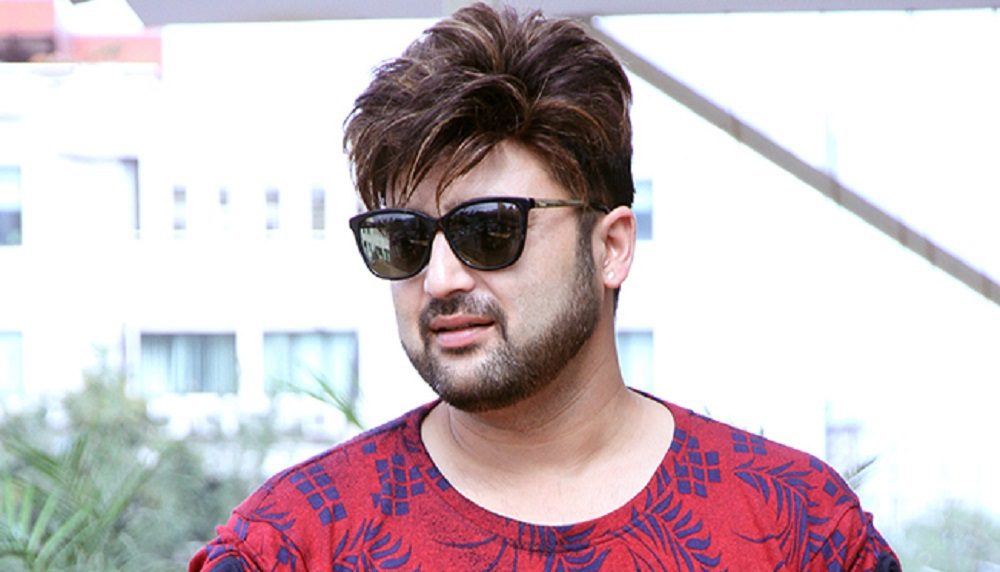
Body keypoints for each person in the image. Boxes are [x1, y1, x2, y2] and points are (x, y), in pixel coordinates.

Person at [190, 3, 900, 570]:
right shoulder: (295, 545)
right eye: (404, 239)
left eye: (489, 229)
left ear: (611, 247)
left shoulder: (797, 531)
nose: (440, 278)